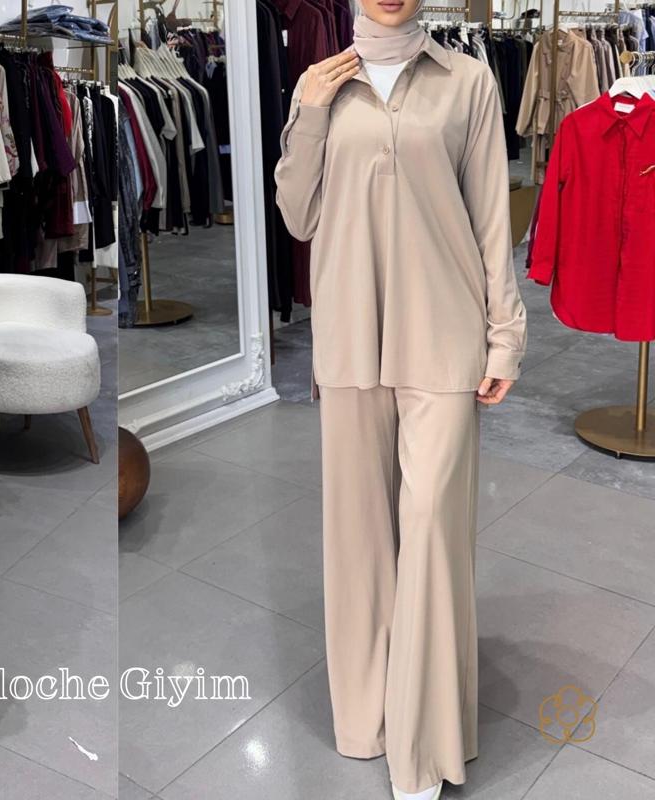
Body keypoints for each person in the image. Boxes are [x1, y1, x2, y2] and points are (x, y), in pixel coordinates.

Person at [274, 1, 526, 799]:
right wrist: (312, 115)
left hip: (444, 336)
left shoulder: (468, 82)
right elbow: (296, 214)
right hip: (351, 335)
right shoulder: (318, 84)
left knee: (431, 533)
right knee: (358, 538)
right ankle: (365, 720)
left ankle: (421, 742)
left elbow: (491, 221)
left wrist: (505, 334)